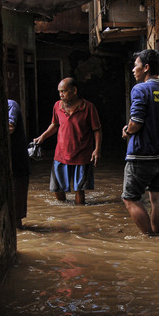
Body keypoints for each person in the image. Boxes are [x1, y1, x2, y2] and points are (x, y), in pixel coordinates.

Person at [121, 49, 159, 235]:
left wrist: (127, 130)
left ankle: (150, 236)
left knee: (130, 198)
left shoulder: (140, 89)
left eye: (136, 65)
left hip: (141, 155)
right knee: (158, 198)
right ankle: (157, 234)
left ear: (146, 67)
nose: (133, 70)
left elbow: (136, 122)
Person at [33, 77, 102, 205]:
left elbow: (97, 130)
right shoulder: (57, 106)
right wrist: (42, 136)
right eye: (59, 92)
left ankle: (80, 216)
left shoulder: (88, 107)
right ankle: (65, 213)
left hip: (82, 154)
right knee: (57, 189)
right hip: (61, 153)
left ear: (74, 90)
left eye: (64, 91)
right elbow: (54, 125)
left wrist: (97, 150)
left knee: (79, 190)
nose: (61, 95)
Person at [8, 99, 30, 228]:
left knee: (16, 211)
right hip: (12, 164)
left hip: (18, 164)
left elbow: (10, 127)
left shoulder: (11, 105)